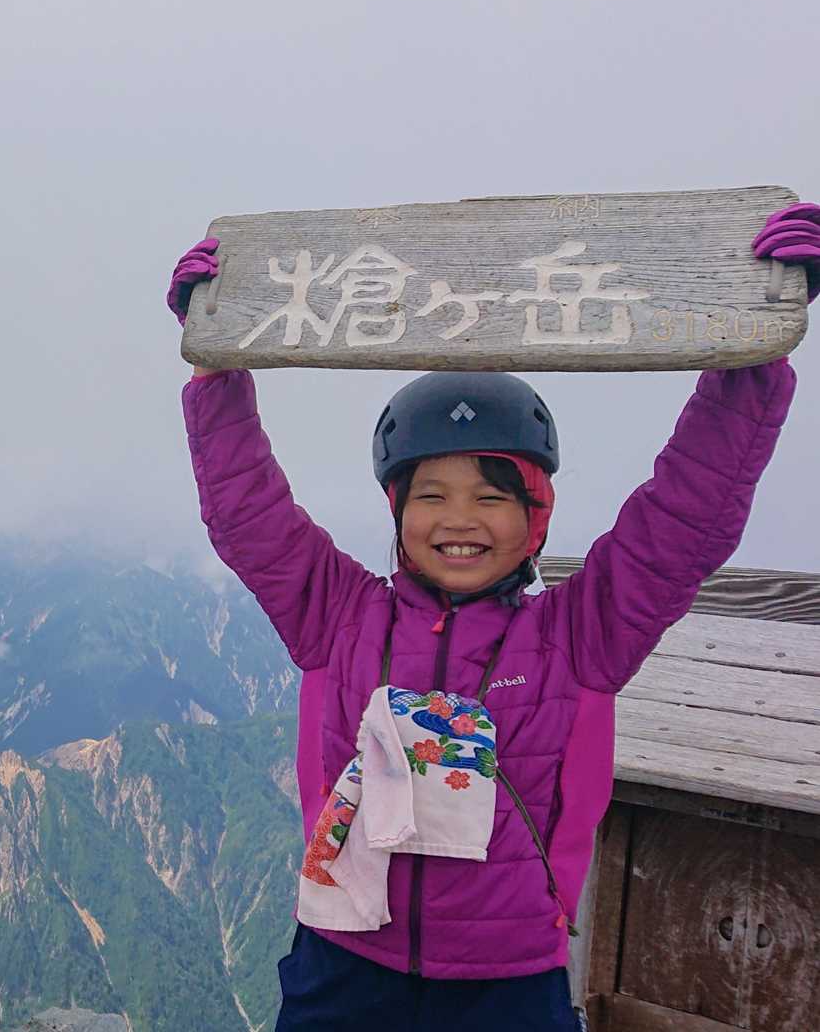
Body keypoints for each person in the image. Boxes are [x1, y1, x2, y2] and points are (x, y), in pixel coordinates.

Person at [166, 204, 820, 1031]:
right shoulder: (338, 615)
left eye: (492, 496)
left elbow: (684, 520)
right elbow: (248, 515)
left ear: (536, 515)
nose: (459, 519)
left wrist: (752, 357)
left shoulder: (580, 635)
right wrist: (214, 367)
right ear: (397, 511)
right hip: (343, 960)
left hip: (507, 979)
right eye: (431, 495)